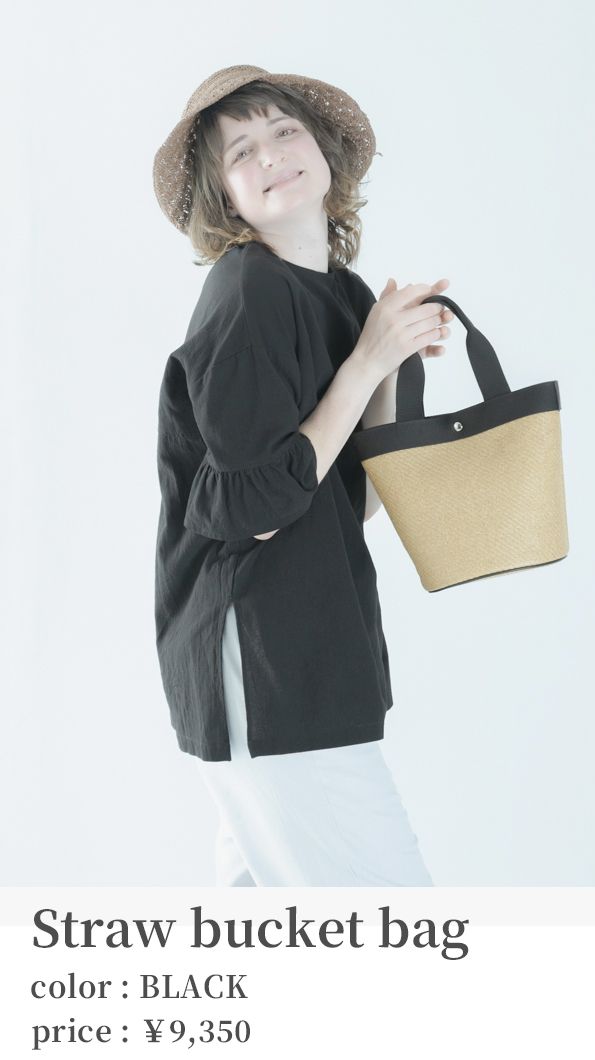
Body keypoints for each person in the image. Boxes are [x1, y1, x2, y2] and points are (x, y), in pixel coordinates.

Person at [152, 64, 454, 886]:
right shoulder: (246, 289)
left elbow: (351, 503)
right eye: (241, 150)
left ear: (321, 149)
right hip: (267, 658)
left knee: (262, 916)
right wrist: (364, 364)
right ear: (224, 196)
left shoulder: (343, 294)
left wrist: (389, 358)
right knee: (390, 919)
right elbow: (255, 507)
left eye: (284, 130)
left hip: (310, 648)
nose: (271, 154)